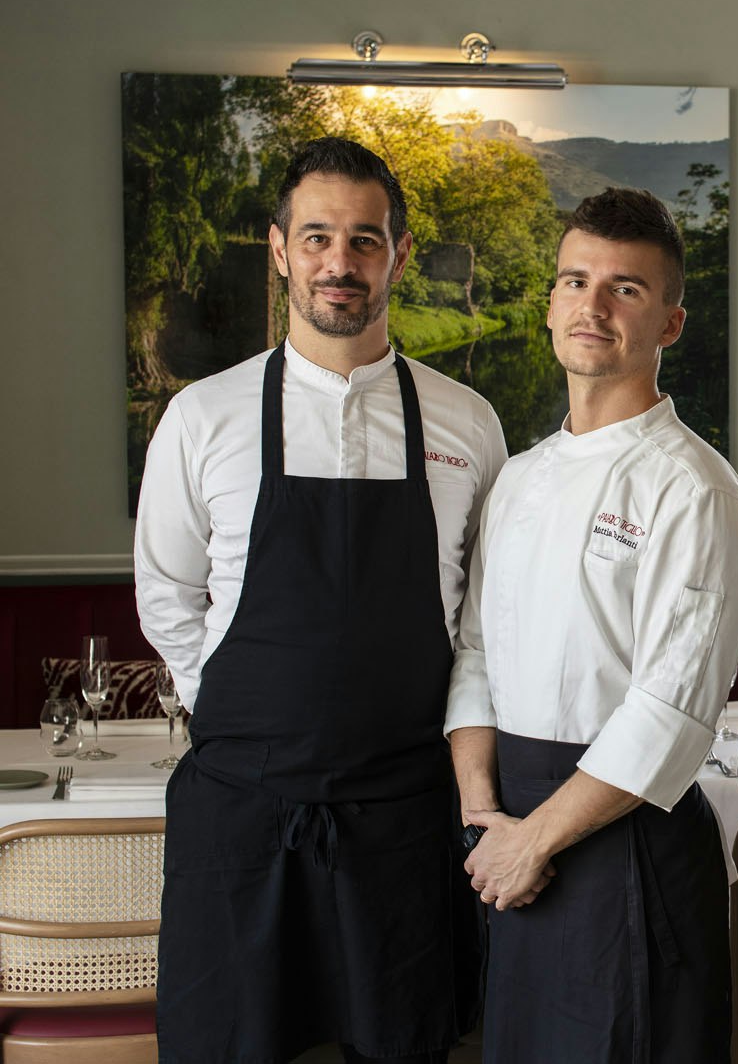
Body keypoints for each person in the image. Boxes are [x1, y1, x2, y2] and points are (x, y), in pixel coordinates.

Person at [135, 137, 504, 1063]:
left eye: (365, 239)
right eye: (317, 237)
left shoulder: (467, 422)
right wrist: (227, 699)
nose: (340, 262)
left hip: (405, 820)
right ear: (279, 247)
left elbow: (481, 626)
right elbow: (167, 592)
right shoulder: (204, 417)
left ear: (400, 253)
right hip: (243, 816)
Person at [444, 187, 738, 1063]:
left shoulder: (696, 490)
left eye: (625, 288)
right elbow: (473, 654)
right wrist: (485, 818)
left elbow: (669, 711)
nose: (592, 305)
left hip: (624, 847)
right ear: (550, 302)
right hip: (513, 840)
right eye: (574, 280)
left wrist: (532, 838)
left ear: (669, 323)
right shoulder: (517, 476)